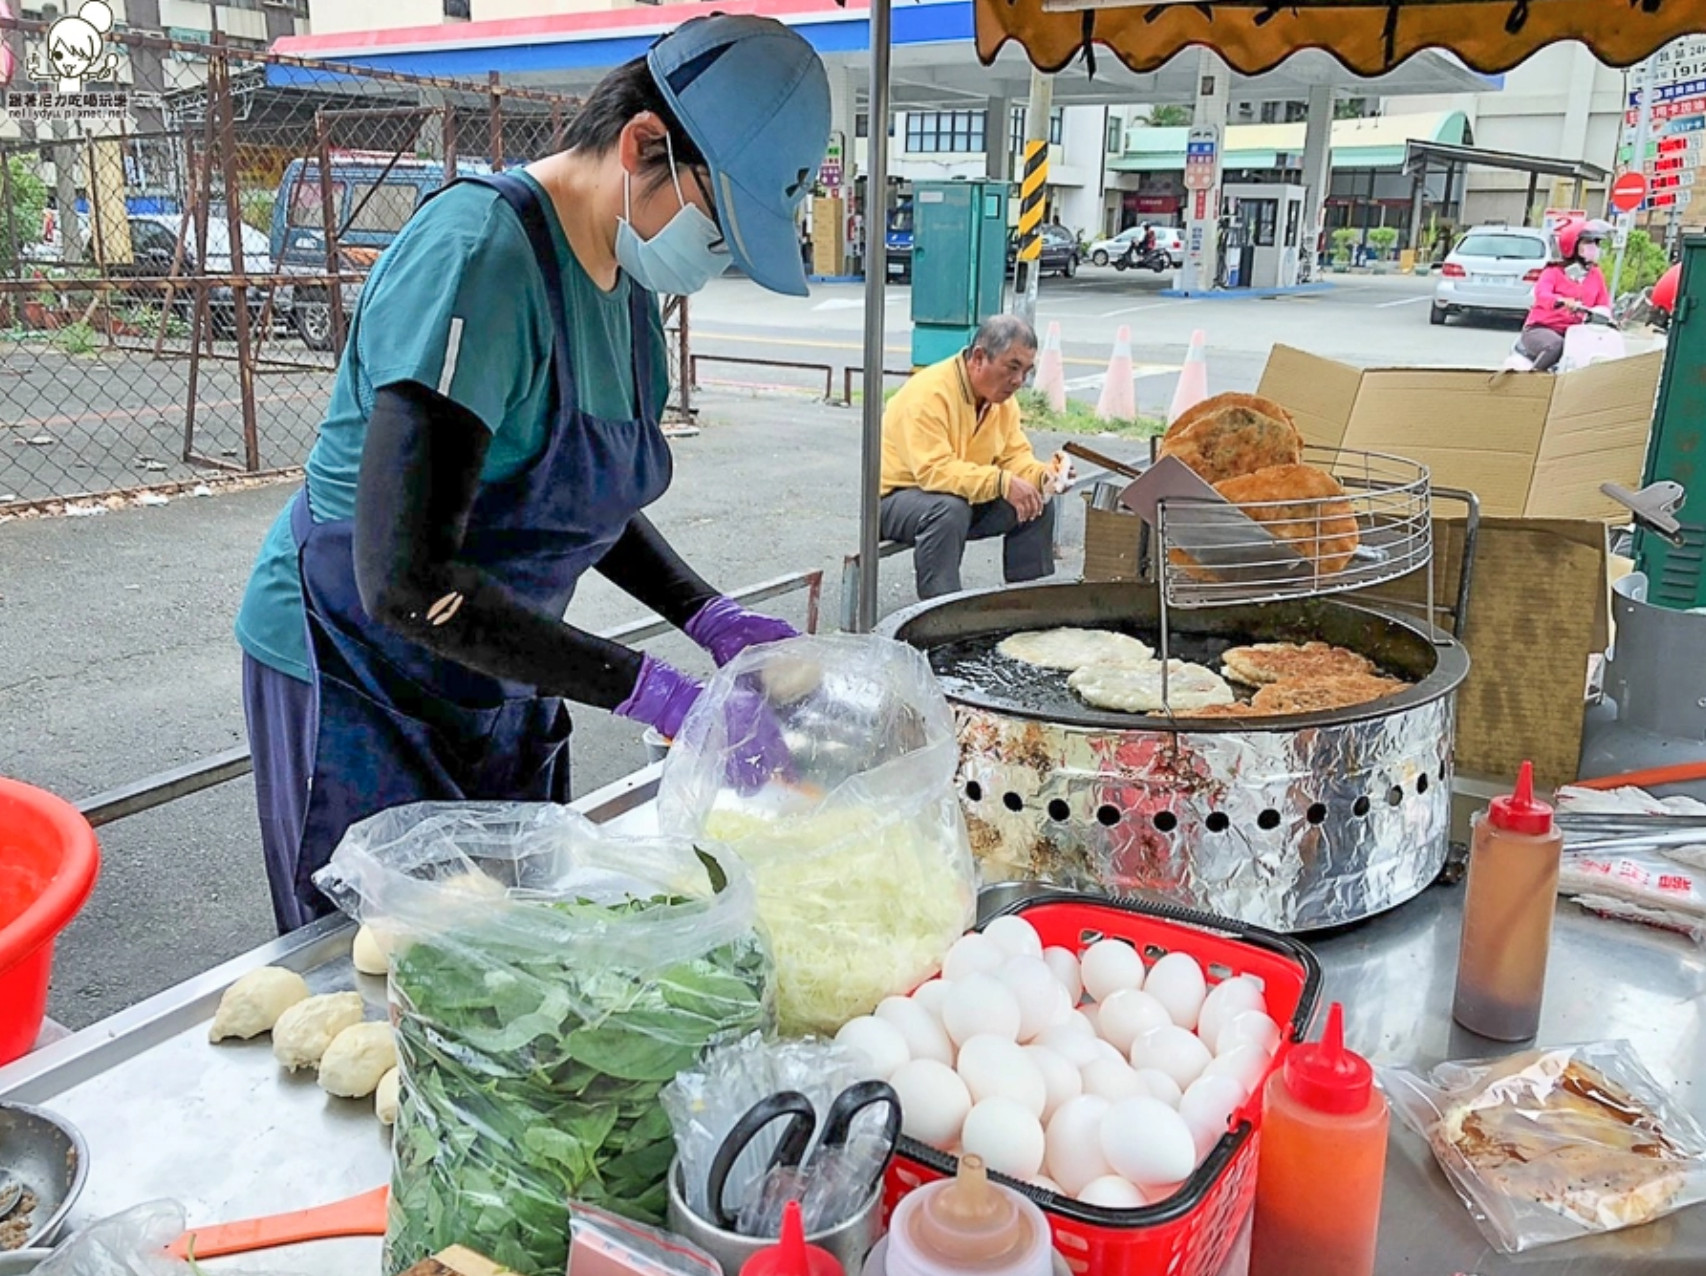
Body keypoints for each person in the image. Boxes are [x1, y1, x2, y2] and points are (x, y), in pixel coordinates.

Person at [233, 15, 830, 932]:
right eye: (718, 228)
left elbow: (576, 496)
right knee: (387, 958)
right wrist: (650, 689)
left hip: (495, 663)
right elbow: (405, 580)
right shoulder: (481, 256)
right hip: (363, 667)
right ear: (642, 145)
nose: (713, 263)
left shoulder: (625, 289)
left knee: (508, 951)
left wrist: (707, 615)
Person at [878, 315, 1060, 600]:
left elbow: (1014, 456)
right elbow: (934, 472)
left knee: (1036, 501)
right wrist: (1001, 482)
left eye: (1026, 371)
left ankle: (1030, 606)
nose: (1018, 381)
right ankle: (941, 615)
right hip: (895, 499)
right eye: (1012, 368)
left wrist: (1044, 475)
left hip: (962, 495)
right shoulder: (928, 394)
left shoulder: (1002, 401)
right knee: (948, 510)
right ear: (978, 358)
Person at [1516, 216, 1613, 371]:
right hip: (1542, 329)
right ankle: (1532, 382)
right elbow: (1542, 294)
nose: (1593, 247)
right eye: (1588, 242)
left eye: (1596, 243)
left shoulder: (1595, 274)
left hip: (1576, 332)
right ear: (1573, 245)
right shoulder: (1553, 271)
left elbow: (1603, 304)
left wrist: (1609, 318)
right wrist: (1561, 301)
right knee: (1556, 346)